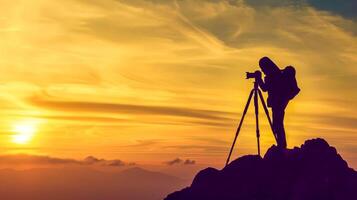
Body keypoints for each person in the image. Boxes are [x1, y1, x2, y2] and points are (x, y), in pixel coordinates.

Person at [256, 57, 290, 149]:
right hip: (280, 103)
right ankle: (281, 145)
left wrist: (259, 79)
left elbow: (264, 88)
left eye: (263, 68)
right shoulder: (277, 74)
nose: (262, 71)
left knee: (277, 124)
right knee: (277, 124)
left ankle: (282, 146)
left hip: (277, 103)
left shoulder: (272, 76)